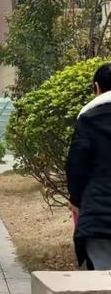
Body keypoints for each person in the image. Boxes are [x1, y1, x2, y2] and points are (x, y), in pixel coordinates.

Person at [66, 63, 111, 270]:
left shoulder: (87, 120)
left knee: (102, 279)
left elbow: (76, 165)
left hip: (99, 217)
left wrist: (76, 200)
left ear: (97, 87)